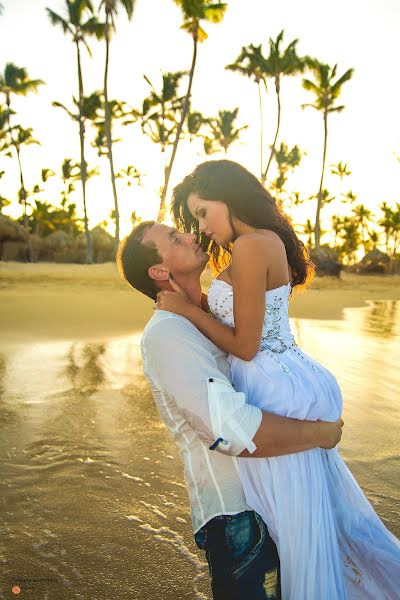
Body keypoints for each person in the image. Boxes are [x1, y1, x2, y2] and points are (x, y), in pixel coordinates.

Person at [155, 159, 400, 599]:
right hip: (284, 377)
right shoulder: (257, 244)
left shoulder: (251, 246)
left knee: (300, 527)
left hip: (274, 381)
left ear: (227, 198)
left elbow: (246, 346)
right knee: (309, 521)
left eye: (202, 212)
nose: (202, 226)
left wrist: (189, 311)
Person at [116, 219, 344, 600]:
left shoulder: (203, 319)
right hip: (239, 517)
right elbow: (230, 428)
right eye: (175, 238)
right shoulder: (169, 333)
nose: (192, 234)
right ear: (159, 272)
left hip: (270, 499)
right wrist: (319, 434)